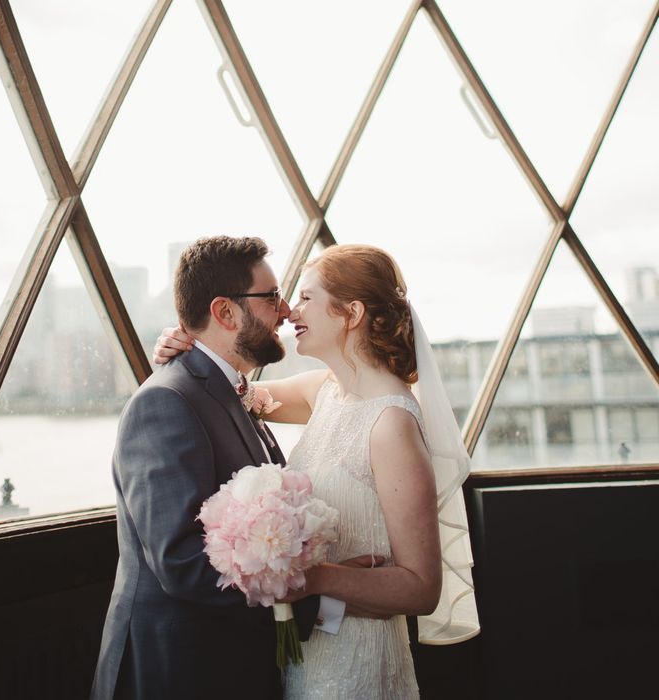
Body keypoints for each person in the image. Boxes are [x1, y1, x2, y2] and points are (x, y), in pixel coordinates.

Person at [156, 243, 480, 699]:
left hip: (360, 667)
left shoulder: (391, 425)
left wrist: (311, 578)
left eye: (306, 298)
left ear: (350, 313)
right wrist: (185, 343)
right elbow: (230, 389)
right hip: (310, 652)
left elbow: (421, 589)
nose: (290, 311)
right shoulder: (324, 391)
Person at [91, 236, 381, 700]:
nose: (285, 311)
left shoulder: (236, 392)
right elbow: (184, 565)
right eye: (271, 297)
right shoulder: (166, 403)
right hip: (180, 676)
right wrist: (326, 597)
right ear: (225, 313)